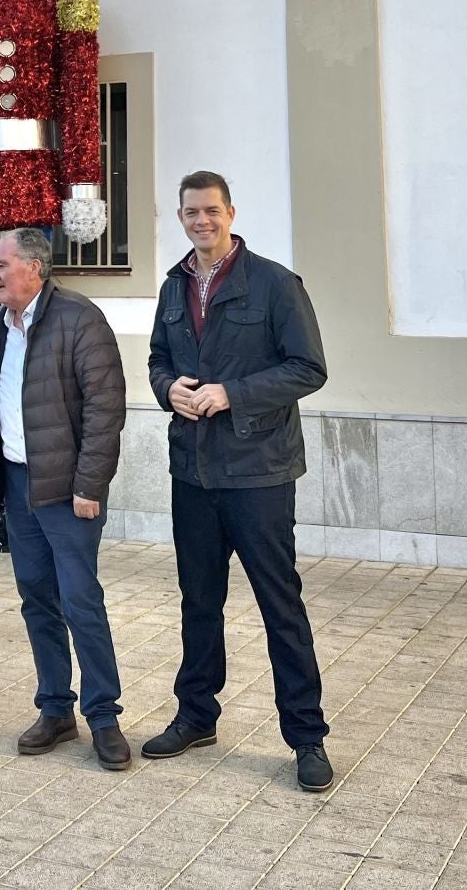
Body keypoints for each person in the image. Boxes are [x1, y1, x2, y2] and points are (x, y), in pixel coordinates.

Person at [143, 171, 333, 791]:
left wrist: (234, 394)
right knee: (199, 602)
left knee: (280, 605)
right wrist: (167, 388)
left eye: (212, 211)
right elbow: (157, 361)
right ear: (180, 217)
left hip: (259, 473)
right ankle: (196, 715)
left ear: (231, 213)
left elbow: (308, 368)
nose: (202, 222)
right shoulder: (174, 287)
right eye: (191, 213)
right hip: (192, 473)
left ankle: (306, 738)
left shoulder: (275, 283)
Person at [0, 228, 131, 770]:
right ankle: (56, 708)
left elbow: (105, 409)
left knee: (80, 600)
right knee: (37, 600)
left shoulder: (79, 319)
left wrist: (90, 485)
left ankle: (104, 716)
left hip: (67, 493)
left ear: (33, 267)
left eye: (0, 264)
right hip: (18, 487)